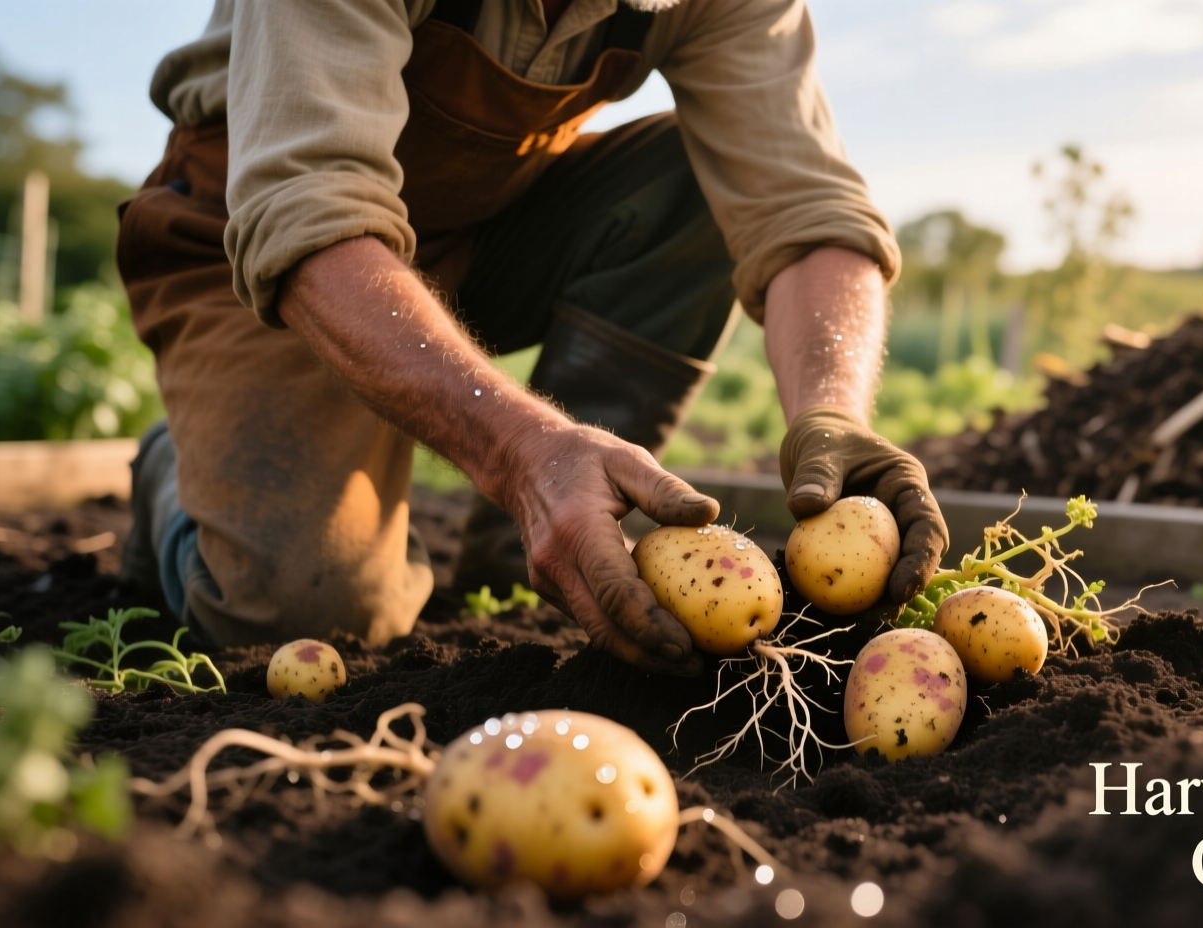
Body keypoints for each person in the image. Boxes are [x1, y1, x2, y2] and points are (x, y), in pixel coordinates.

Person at [117, 0, 948, 675]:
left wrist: (833, 414)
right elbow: (310, 213)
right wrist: (519, 449)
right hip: (270, 245)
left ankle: (528, 551)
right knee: (305, 611)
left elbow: (807, 212)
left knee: (701, 186)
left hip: (489, 226)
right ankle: (169, 469)